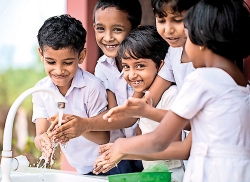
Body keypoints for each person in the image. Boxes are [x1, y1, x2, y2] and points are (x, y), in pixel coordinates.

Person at [98, 0, 250, 181]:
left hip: (211, 173)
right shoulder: (242, 84)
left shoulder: (202, 79)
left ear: (200, 39)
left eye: (187, 36)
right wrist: (146, 111)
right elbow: (192, 122)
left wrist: (122, 145)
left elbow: (159, 140)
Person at [48, 0, 144, 174]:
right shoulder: (103, 66)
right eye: (100, 29)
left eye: (117, 29)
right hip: (123, 152)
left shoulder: (144, 65)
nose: (107, 37)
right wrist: (76, 124)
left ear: (135, 29)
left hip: (149, 149)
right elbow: (112, 115)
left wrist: (85, 124)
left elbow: (131, 115)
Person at [93, 25, 186, 182]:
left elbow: (171, 149)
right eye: (126, 67)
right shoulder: (143, 100)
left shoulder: (171, 96)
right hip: (152, 175)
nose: (131, 74)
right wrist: (118, 149)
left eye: (140, 66)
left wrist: (126, 149)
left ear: (161, 65)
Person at [32, 14, 110, 174]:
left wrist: (79, 128)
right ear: (41, 54)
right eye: (51, 62)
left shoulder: (92, 87)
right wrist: (44, 141)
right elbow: (39, 136)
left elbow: (104, 137)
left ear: (81, 56)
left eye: (67, 63)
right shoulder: (41, 90)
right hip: (81, 170)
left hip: (109, 164)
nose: (59, 70)